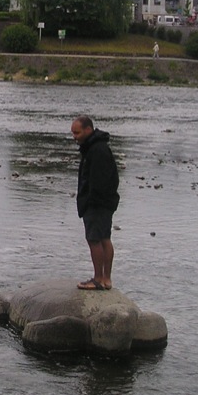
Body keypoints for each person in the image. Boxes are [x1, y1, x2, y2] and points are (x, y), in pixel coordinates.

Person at [70, 115, 120, 291]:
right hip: (105, 202)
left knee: (94, 240)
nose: (74, 136)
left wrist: (90, 201)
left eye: (77, 132)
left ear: (88, 130)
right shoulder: (97, 147)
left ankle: (98, 279)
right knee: (105, 238)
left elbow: (99, 180)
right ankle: (106, 279)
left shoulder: (96, 150)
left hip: (97, 203)